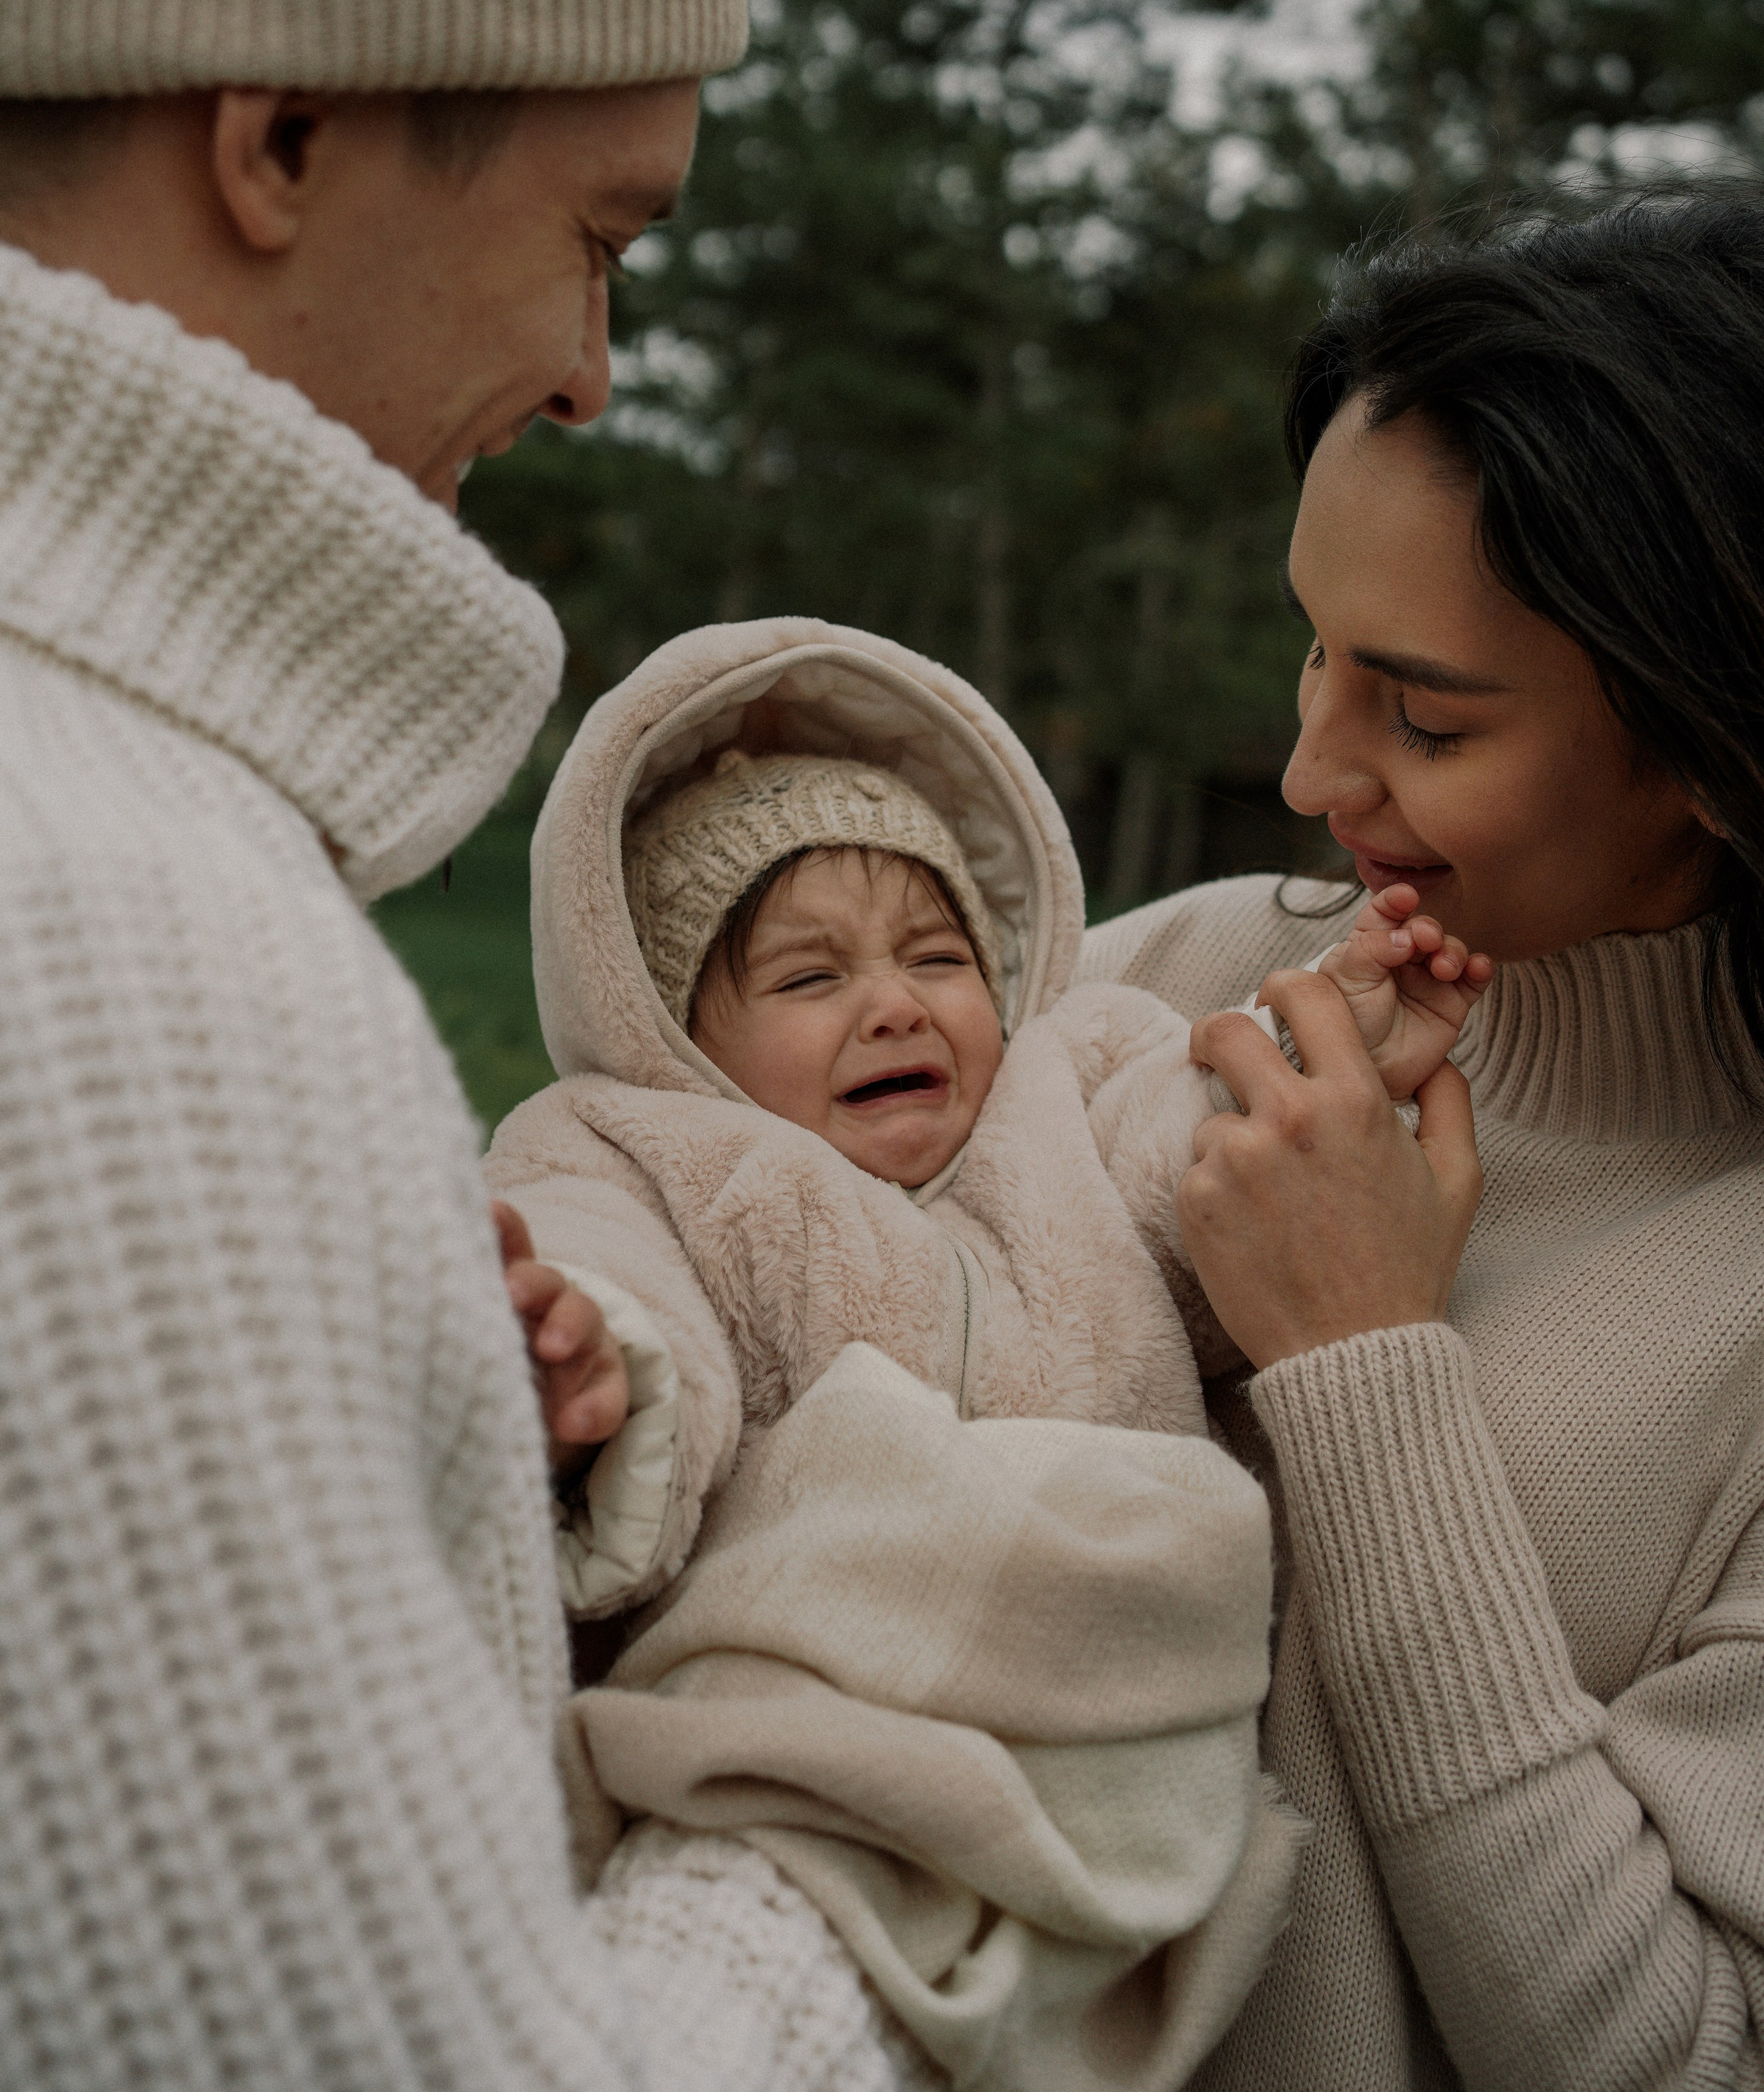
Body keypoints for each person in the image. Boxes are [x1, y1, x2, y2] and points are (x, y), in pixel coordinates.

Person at [0, 0, 1052, 2092]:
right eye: (601, 230)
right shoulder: (116, 944)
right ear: (285, 129)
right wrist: (900, 1788)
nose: (597, 367)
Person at [1048, 190, 1764, 2092]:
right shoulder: (1147, 977)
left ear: (1729, 746)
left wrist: (1361, 1368)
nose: (1309, 767)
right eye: (1313, 645)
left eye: (1430, 716)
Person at [483, 618, 1486, 1609]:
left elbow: (1200, 1145)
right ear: (676, 1037)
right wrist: (585, 1370)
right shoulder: (638, 1159)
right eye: (810, 977)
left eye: (936, 958)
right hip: (814, 1677)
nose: (897, 1006)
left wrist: (1327, 1046)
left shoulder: (1064, 1091)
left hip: (1134, 1674)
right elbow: (601, 1267)